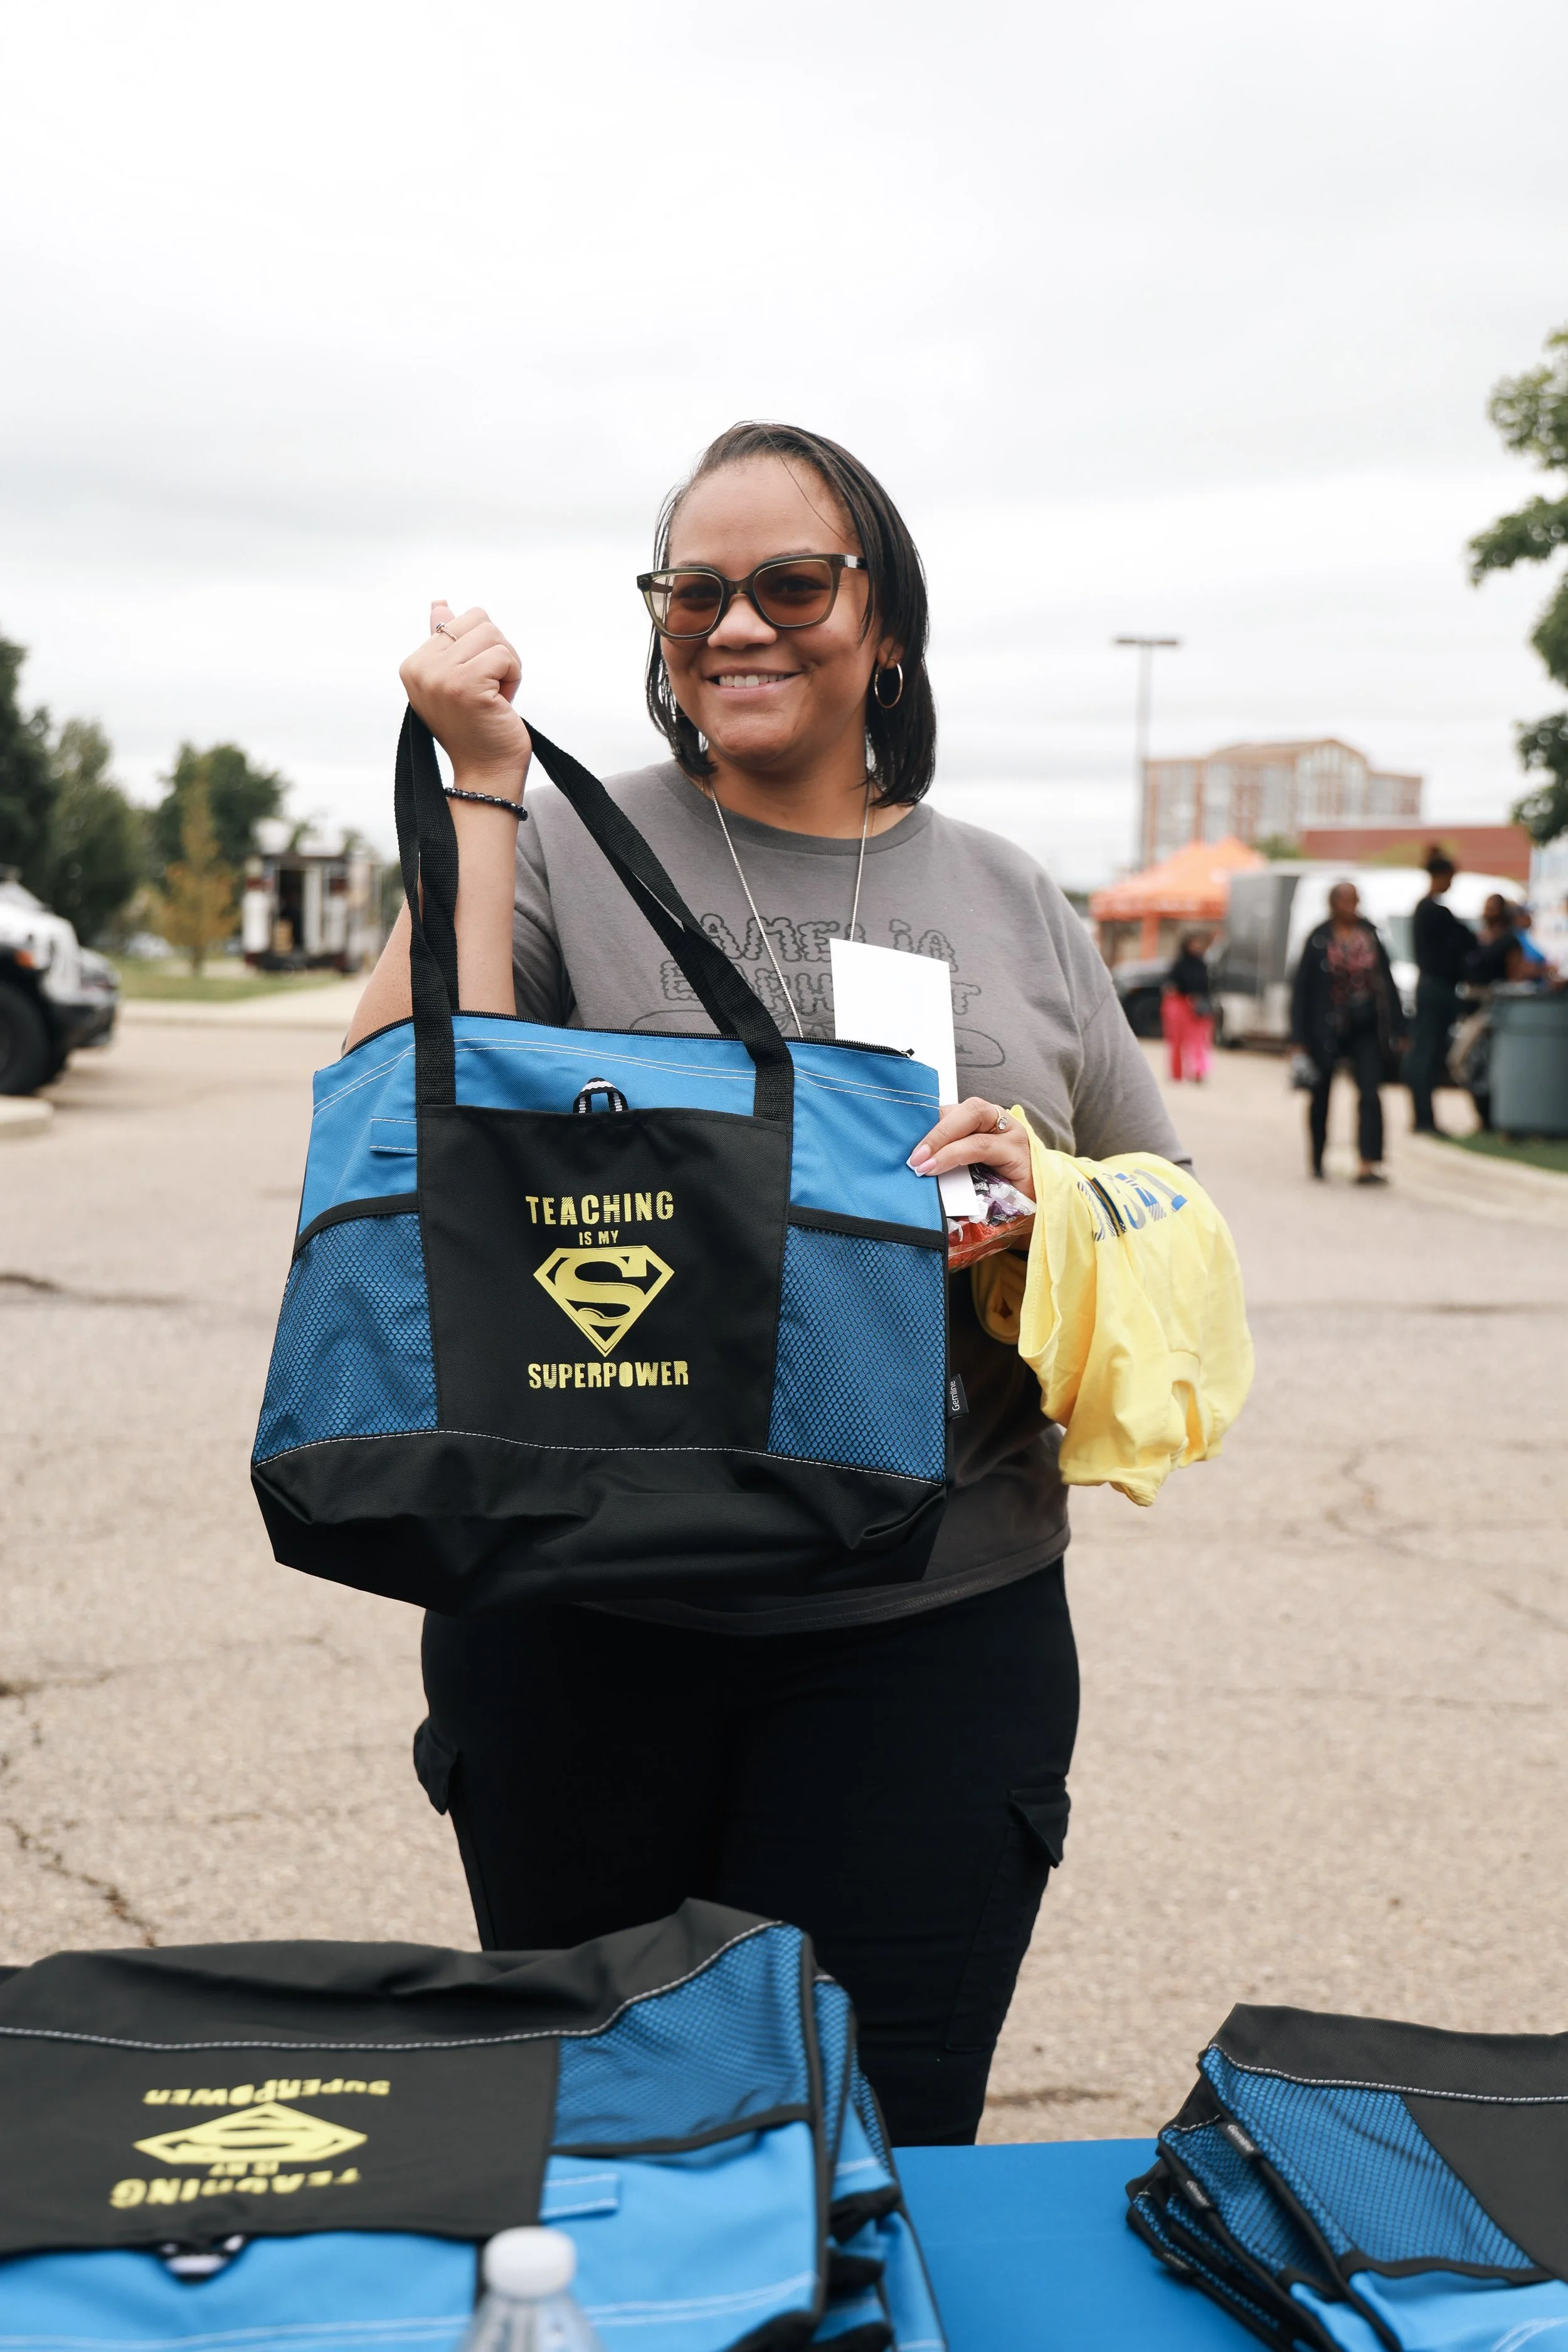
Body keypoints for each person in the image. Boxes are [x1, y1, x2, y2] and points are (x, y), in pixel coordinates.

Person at [344, 421, 1189, 2147]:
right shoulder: (572, 837)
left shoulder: (1015, 900)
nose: (739, 624)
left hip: (931, 1636)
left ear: (883, 622)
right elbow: (395, 1113)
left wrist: (1050, 1211)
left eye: (790, 582)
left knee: (875, 2148)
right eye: (694, 590)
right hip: (589, 1623)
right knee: (609, 2154)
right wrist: (483, 788)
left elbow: (1165, 1208)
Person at [1291, 881, 1406, 1184]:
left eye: (1356, 900)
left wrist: (1399, 1026)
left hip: (1365, 1026)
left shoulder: (1371, 935)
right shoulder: (1318, 938)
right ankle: (1317, 1160)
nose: (1352, 907)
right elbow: (1301, 990)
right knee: (1321, 1094)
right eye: (1347, 901)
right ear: (1333, 903)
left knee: (1370, 1092)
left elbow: (1387, 983)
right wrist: (1298, 1039)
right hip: (1325, 1027)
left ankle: (1368, 1163)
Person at [1403, 850, 1473, 1135]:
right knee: (1426, 1054)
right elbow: (1465, 942)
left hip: (1432, 986)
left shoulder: (1425, 909)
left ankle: (1424, 1117)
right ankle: (1424, 1119)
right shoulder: (1434, 911)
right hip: (1436, 987)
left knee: (1426, 1053)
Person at [1161, 932, 1214, 1083]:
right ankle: (1176, 1073)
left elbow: (1206, 986)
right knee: (1176, 1040)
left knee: (1198, 1041)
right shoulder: (1179, 964)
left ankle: (1198, 1071)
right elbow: (1171, 984)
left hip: (1197, 1006)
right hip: (1179, 1004)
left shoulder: (1202, 964)